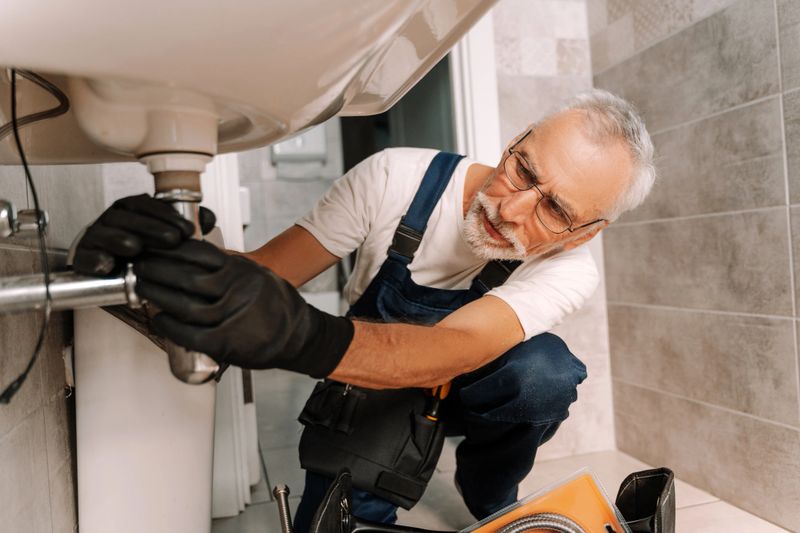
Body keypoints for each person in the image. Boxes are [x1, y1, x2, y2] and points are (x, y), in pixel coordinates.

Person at [72, 89, 655, 530]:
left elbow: (451, 351)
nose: (512, 209)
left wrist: (301, 336)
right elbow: (270, 271)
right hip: (372, 383)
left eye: (554, 211)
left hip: (468, 385)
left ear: (584, 234)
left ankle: (490, 489)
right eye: (524, 169)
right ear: (517, 140)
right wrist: (174, 260)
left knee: (544, 374)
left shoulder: (572, 268)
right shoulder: (396, 177)